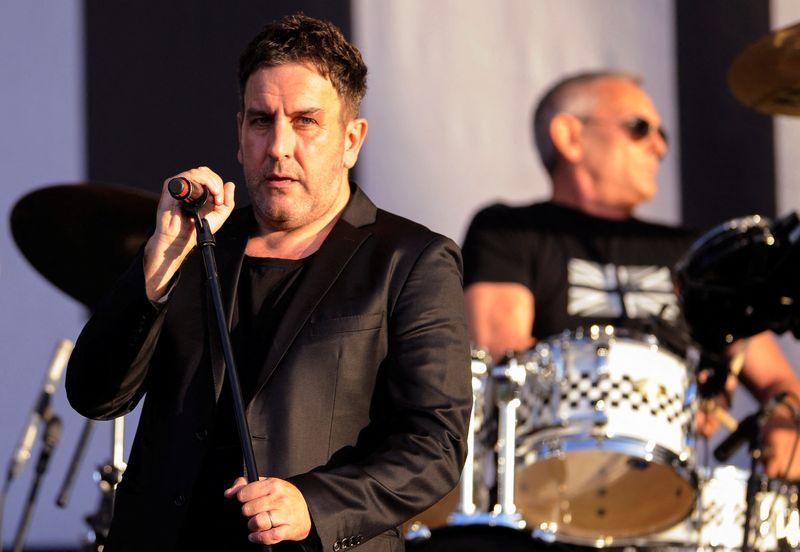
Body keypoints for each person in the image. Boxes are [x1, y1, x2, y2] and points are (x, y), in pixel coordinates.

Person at [66, 14, 472, 552]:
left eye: (305, 121)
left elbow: (434, 444)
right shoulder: (194, 242)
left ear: (352, 140)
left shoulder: (409, 259)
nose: (279, 145)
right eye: (262, 120)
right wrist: (159, 263)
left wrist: (316, 503)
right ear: (240, 133)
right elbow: (95, 394)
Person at [461, 70, 800, 484]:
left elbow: (776, 378)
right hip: (550, 479)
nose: (658, 146)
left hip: (674, 485)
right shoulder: (508, 230)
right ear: (569, 136)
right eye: (639, 129)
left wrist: (784, 414)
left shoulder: (690, 249)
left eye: (663, 135)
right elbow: (504, 356)